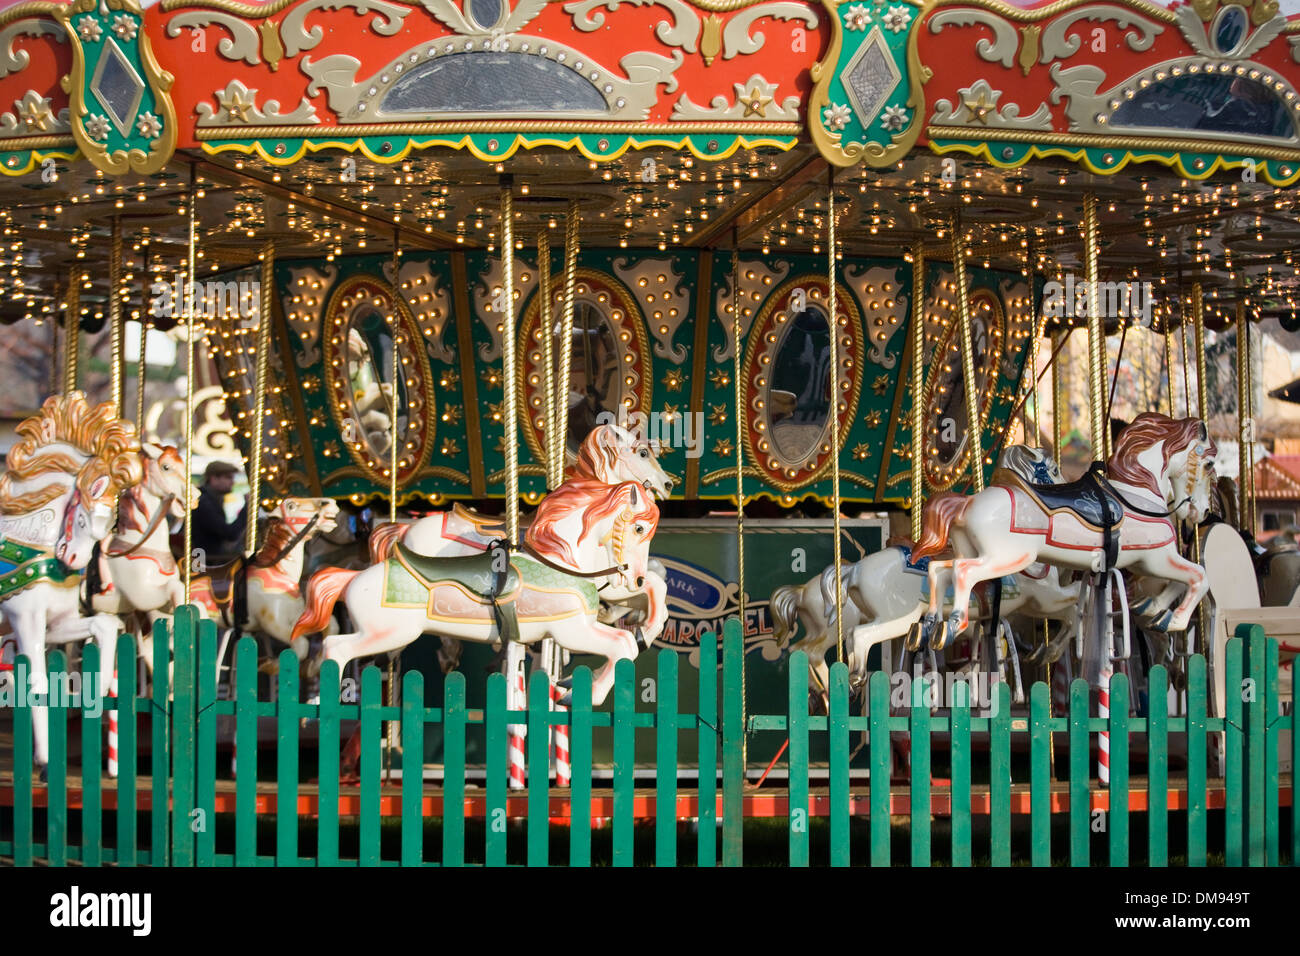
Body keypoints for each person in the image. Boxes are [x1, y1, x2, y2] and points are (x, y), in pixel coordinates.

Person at [192, 461, 248, 566]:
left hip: (206, 557)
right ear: (213, 479)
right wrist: (248, 508)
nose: (232, 482)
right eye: (228, 478)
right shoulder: (203, 502)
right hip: (205, 561)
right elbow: (230, 534)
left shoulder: (210, 499)